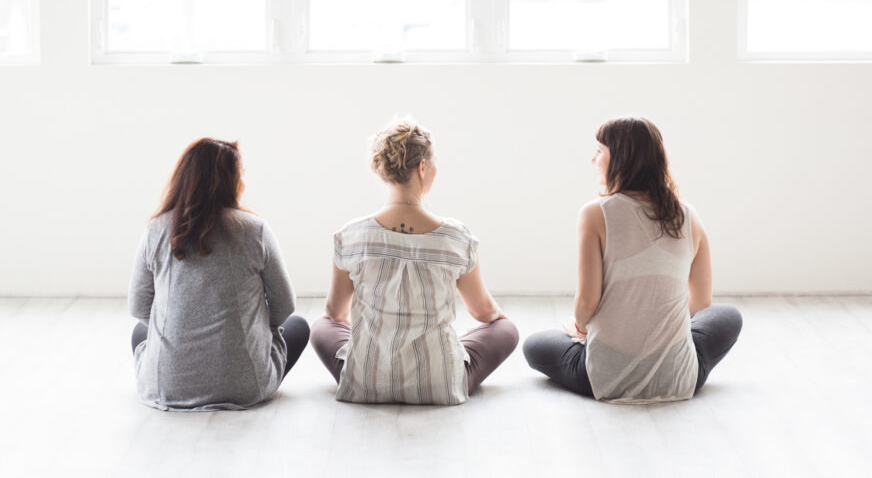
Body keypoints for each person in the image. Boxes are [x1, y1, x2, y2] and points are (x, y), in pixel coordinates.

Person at [523, 116, 743, 403]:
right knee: (728, 316)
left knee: (533, 345)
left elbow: (587, 303)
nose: (593, 159)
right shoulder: (689, 216)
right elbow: (701, 303)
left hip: (605, 377)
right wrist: (660, 331)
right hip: (678, 376)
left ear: (621, 159)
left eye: (599, 151)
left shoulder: (594, 214)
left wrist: (578, 329)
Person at [311, 119, 518, 405]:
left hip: (366, 381)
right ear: (422, 167)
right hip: (440, 384)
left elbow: (334, 312)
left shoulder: (350, 236)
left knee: (322, 326)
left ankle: (366, 368)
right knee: (506, 330)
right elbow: (485, 313)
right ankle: (441, 364)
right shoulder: (456, 237)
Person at [128, 138, 309, 411]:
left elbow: (140, 307)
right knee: (299, 326)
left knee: (140, 332)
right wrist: (258, 329)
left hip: (164, 387)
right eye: (241, 175)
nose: (244, 183)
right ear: (228, 181)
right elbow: (285, 306)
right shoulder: (254, 229)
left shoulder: (156, 229)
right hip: (245, 387)